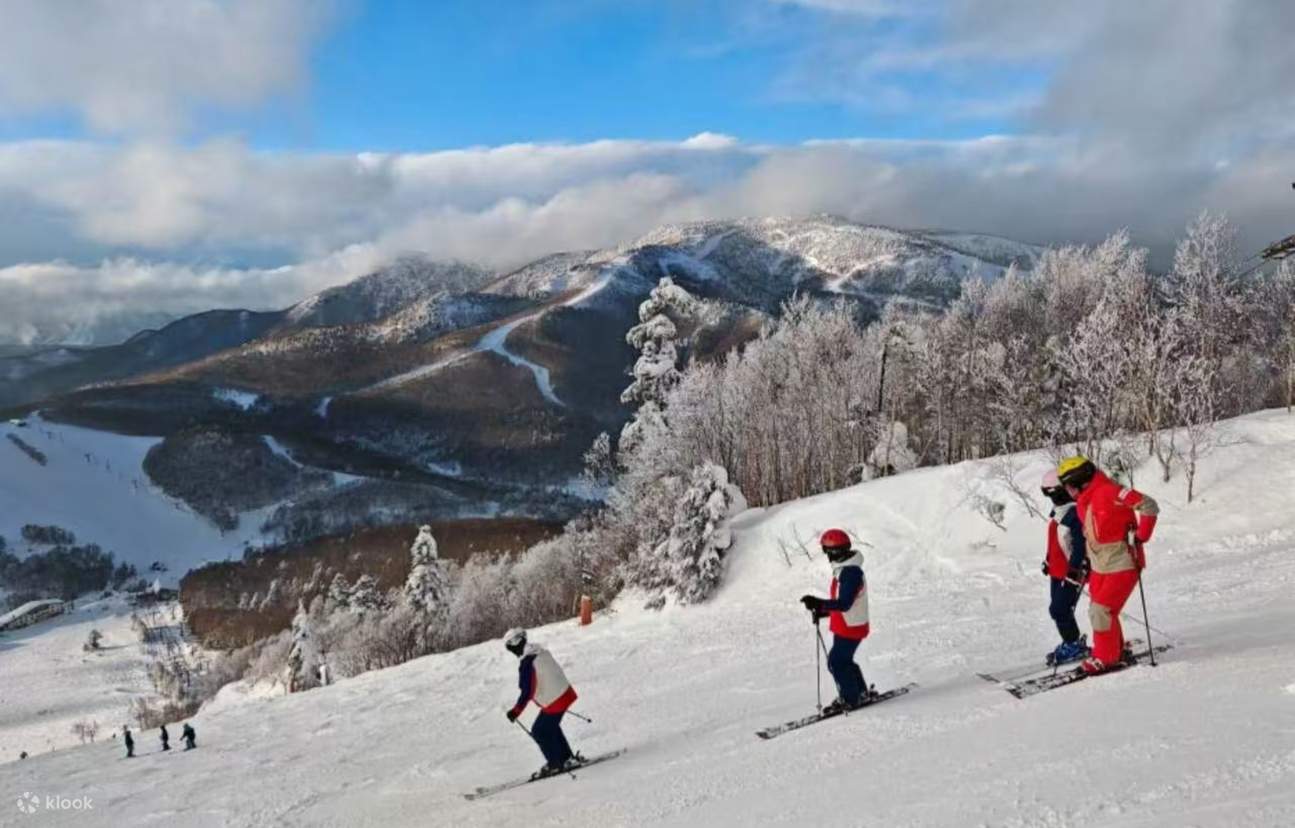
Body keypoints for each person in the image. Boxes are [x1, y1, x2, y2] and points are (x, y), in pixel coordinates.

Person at [1057, 456, 1159, 675]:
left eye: (1070, 486)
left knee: (1101, 610)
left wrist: (1141, 536)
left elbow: (1149, 506)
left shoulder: (1111, 491)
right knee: (1100, 611)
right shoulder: (1084, 500)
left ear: (1081, 480)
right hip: (1100, 564)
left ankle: (1106, 658)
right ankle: (1114, 649)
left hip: (1122, 562)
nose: (1068, 491)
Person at [800, 529, 871, 713]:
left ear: (835, 551)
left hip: (851, 627)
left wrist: (820, 604)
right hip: (846, 625)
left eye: (827, 551)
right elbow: (845, 603)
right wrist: (822, 610)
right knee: (843, 661)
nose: (827, 556)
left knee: (837, 662)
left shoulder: (850, 573)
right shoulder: (844, 570)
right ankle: (860, 693)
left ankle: (851, 699)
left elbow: (845, 604)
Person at [503, 628, 579, 778]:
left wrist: (515, 712)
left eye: (510, 648)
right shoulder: (540, 651)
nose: (512, 652)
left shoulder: (527, 663)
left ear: (515, 646)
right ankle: (567, 758)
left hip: (555, 701)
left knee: (539, 731)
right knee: (549, 726)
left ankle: (555, 764)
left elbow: (527, 692)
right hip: (566, 693)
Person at [1041, 469, 1090, 665]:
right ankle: (1072, 642)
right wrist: (1048, 561)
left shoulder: (1075, 514)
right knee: (1059, 609)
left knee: (1059, 609)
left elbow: (1080, 547)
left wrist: (1074, 571)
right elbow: (1056, 540)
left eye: (1052, 494)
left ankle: (1073, 645)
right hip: (1057, 571)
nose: (1051, 499)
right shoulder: (1059, 512)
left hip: (1070, 572)